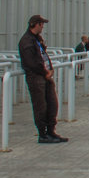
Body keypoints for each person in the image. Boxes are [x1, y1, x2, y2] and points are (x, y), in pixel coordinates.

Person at [19, 14, 66, 144]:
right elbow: (30, 62)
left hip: (45, 76)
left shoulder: (37, 39)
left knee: (52, 103)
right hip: (36, 77)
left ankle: (51, 130)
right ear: (35, 24)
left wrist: (49, 69)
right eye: (41, 24)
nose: (43, 27)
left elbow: (43, 56)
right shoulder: (26, 41)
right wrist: (44, 72)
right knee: (41, 106)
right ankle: (42, 133)